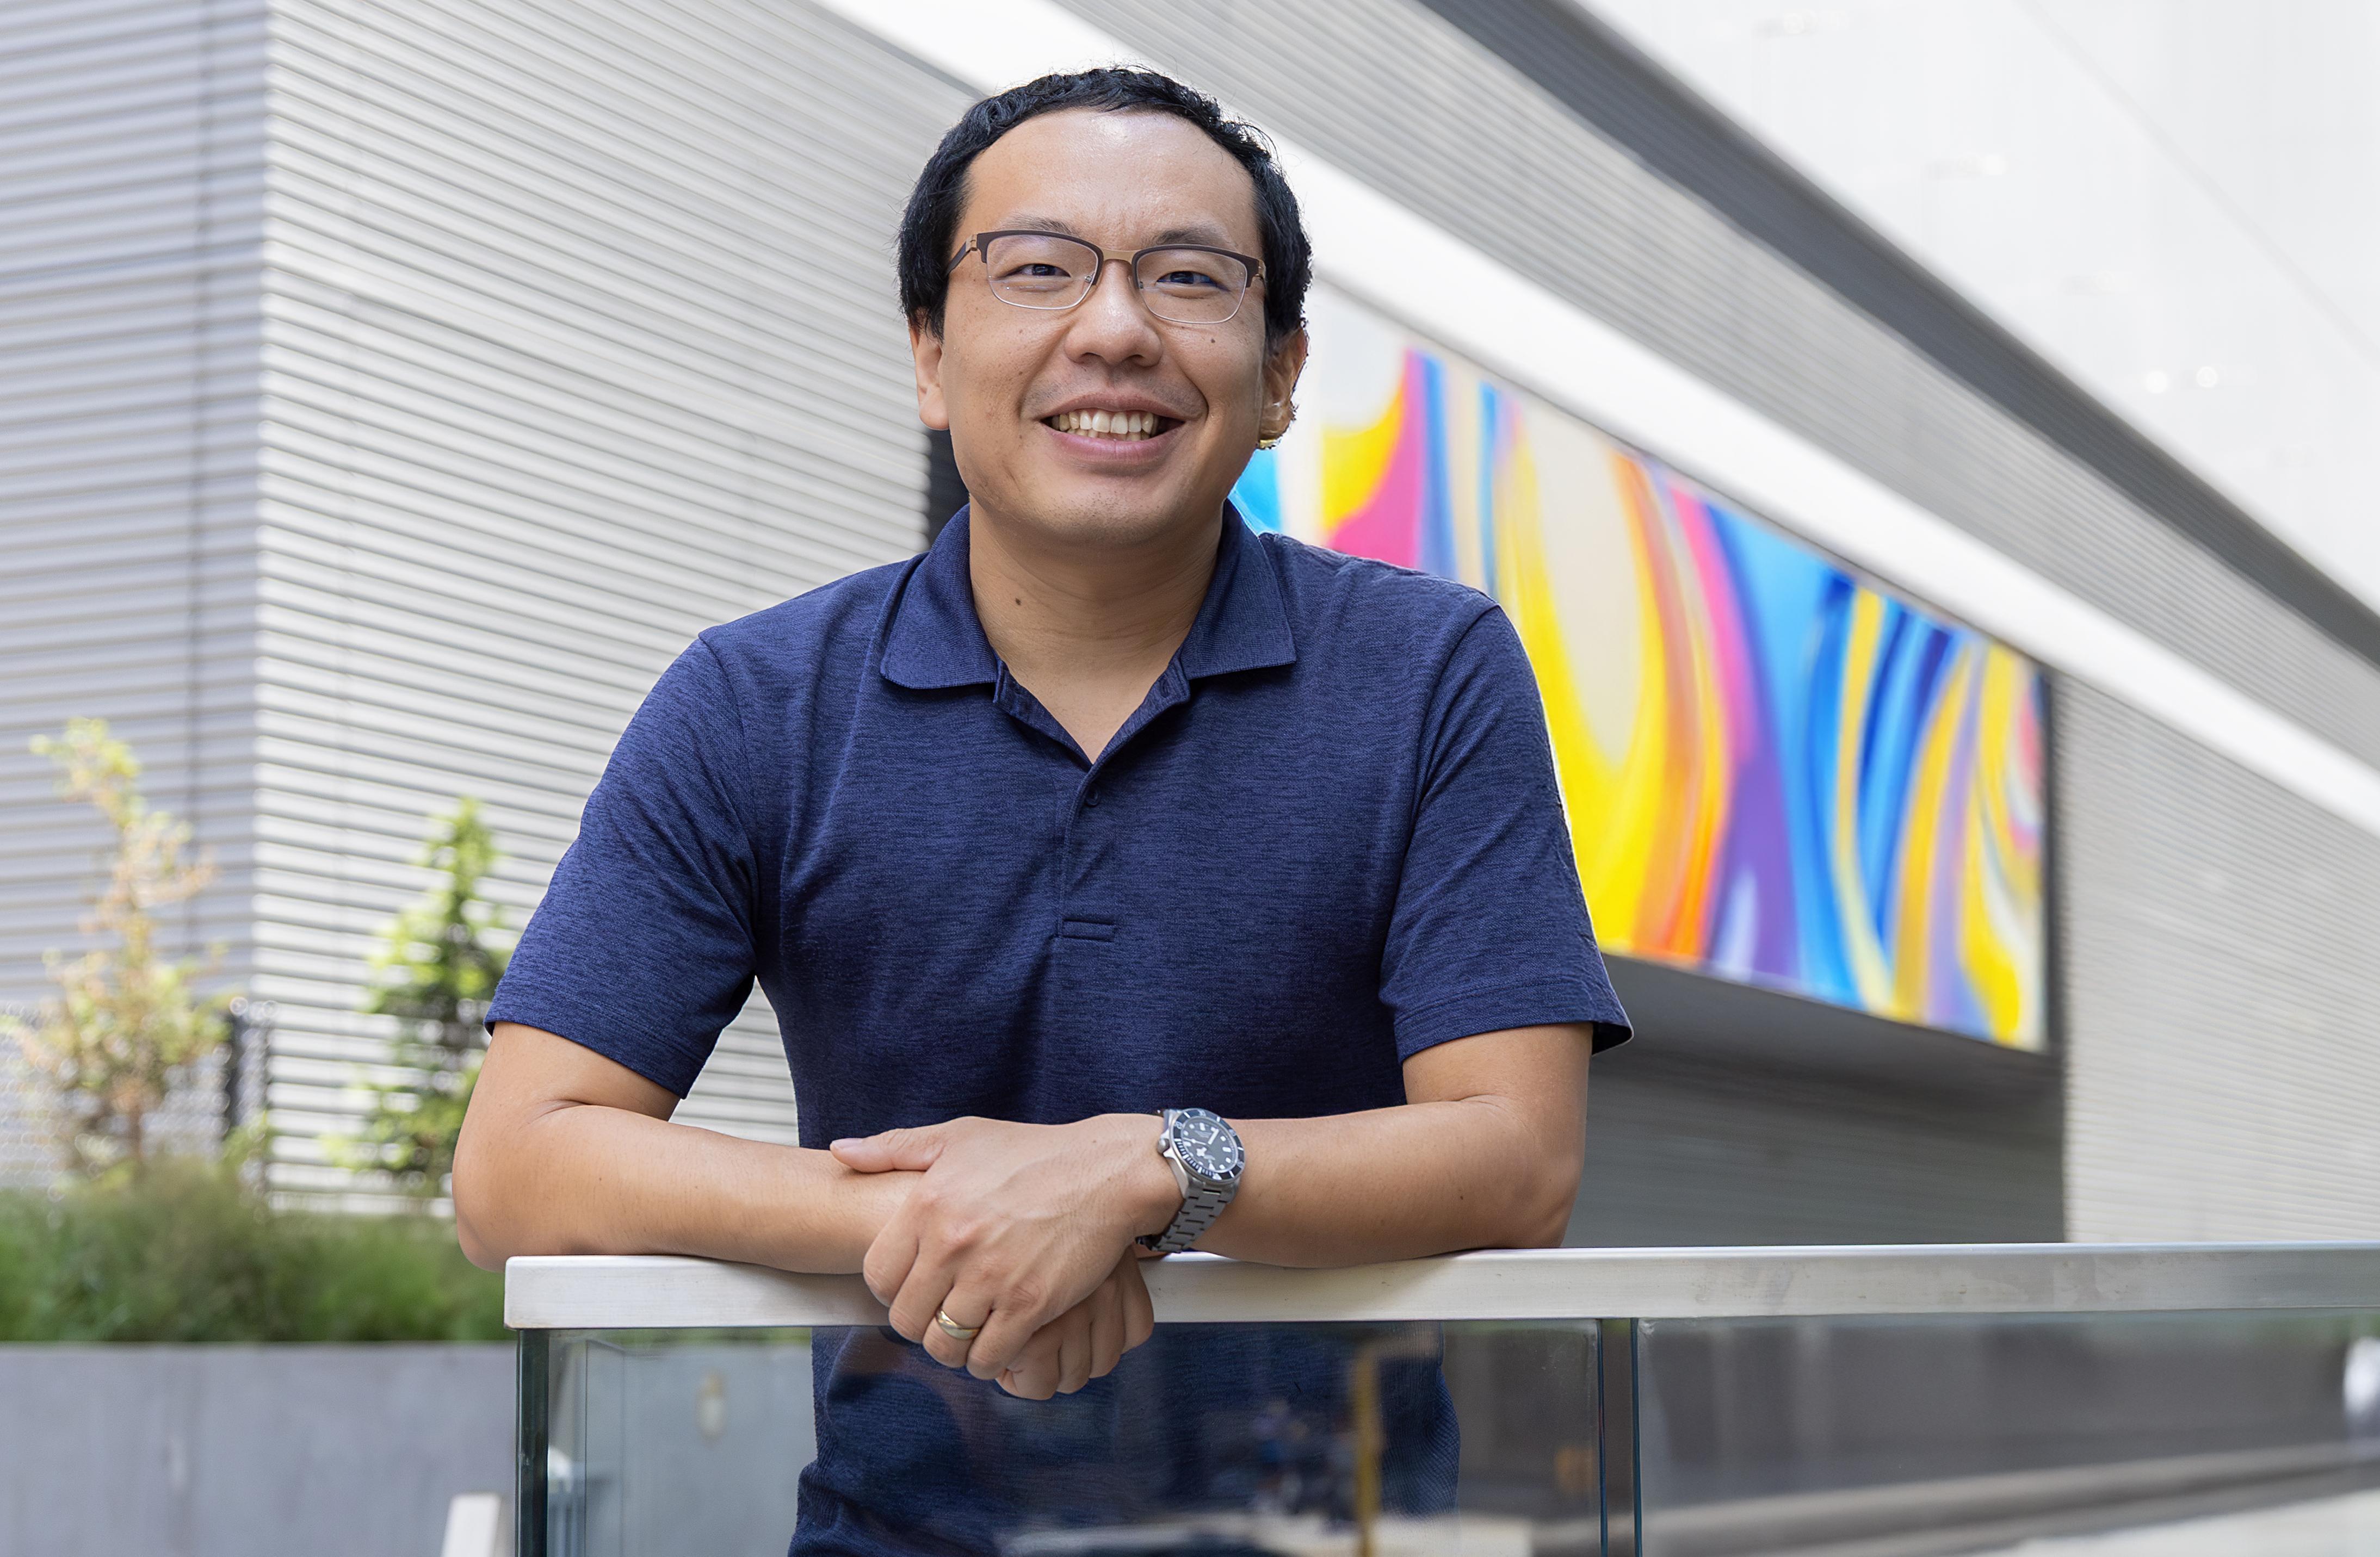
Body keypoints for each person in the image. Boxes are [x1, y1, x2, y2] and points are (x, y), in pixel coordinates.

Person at [450, 66, 1629, 1556]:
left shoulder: (1428, 672)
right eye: (1039, 270)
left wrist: (1147, 1168)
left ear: (1279, 376)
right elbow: (519, 1167)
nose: (1117, 328)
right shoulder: (758, 701)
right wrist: (951, 1217)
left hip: (1344, 1541)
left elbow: (1517, 1163)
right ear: (931, 360)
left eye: (1191, 278)